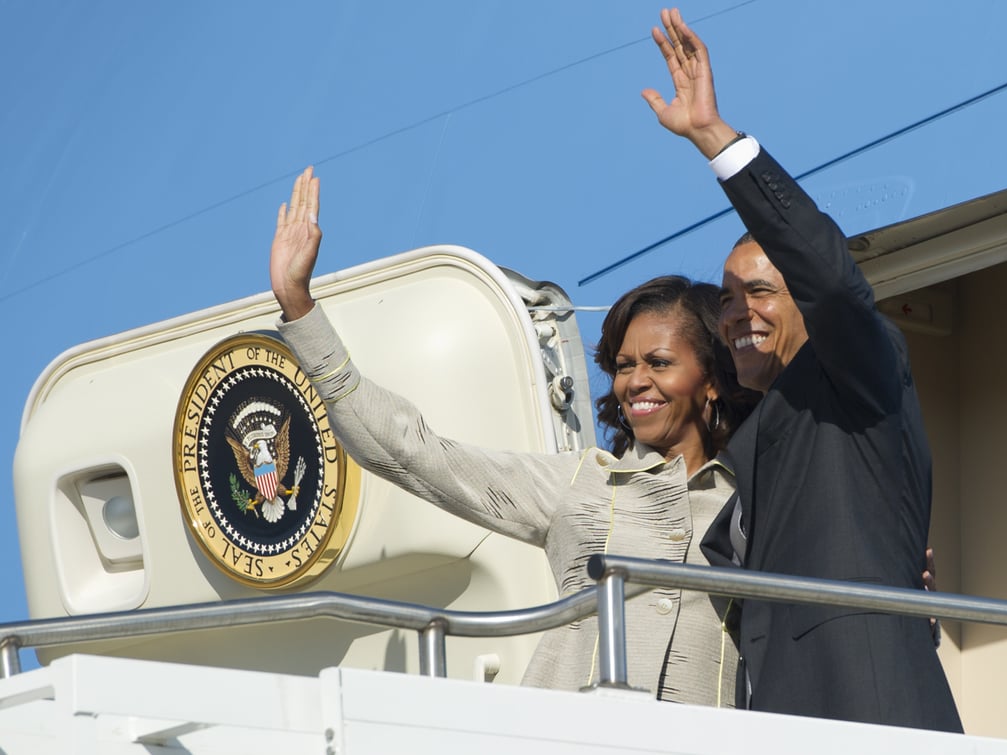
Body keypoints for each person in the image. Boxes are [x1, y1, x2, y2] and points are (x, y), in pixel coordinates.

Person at [269, 167, 760, 705]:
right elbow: (410, 452)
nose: (635, 381)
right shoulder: (581, 482)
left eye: (658, 363)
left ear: (712, 379)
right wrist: (299, 307)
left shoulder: (755, 496)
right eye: (623, 365)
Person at [641, 8, 962, 731]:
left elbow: (832, 278)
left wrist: (714, 139)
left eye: (759, 291)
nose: (737, 313)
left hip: (870, 716)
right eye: (725, 300)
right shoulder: (762, 440)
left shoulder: (852, 375)